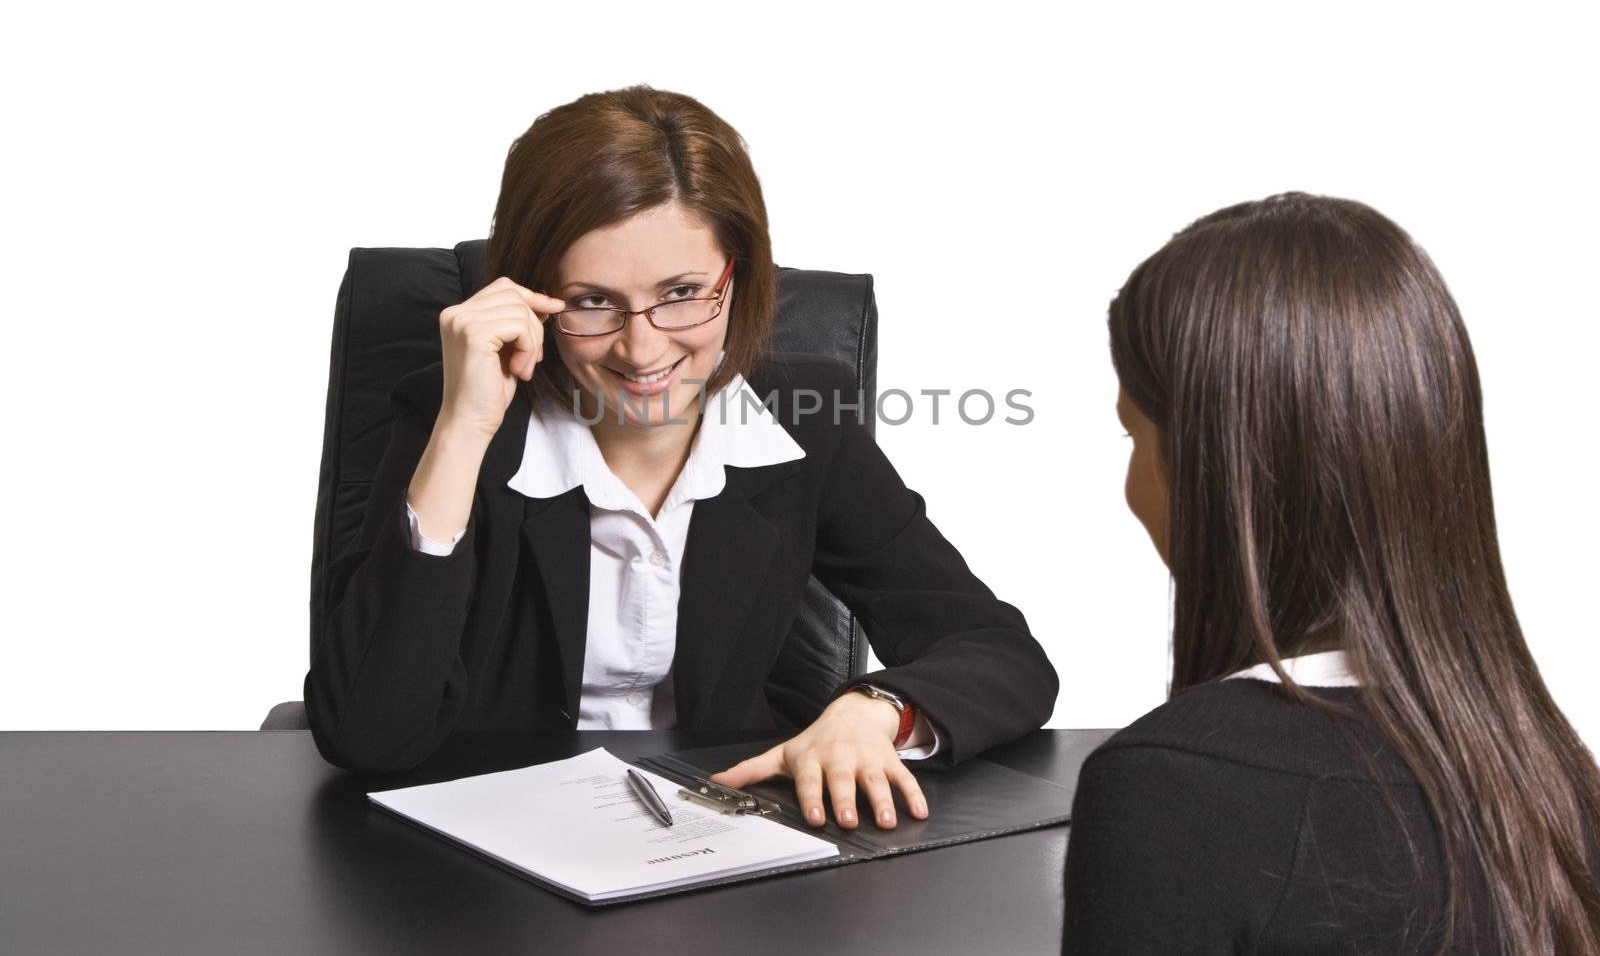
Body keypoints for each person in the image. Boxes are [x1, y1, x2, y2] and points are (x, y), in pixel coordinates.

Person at [304, 85, 1058, 832]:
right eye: (591, 300)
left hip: (720, 844)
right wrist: (462, 430)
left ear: (740, 273)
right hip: (481, 866)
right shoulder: (461, 417)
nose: (644, 347)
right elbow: (370, 731)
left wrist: (876, 712)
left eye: (684, 291)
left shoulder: (800, 424)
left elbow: (997, 650)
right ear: (533, 293)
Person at [1062, 193, 1600, 953]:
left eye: (1133, 433)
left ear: (1214, 470)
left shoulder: (1172, 787)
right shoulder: (1547, 774)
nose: (1130, 485)